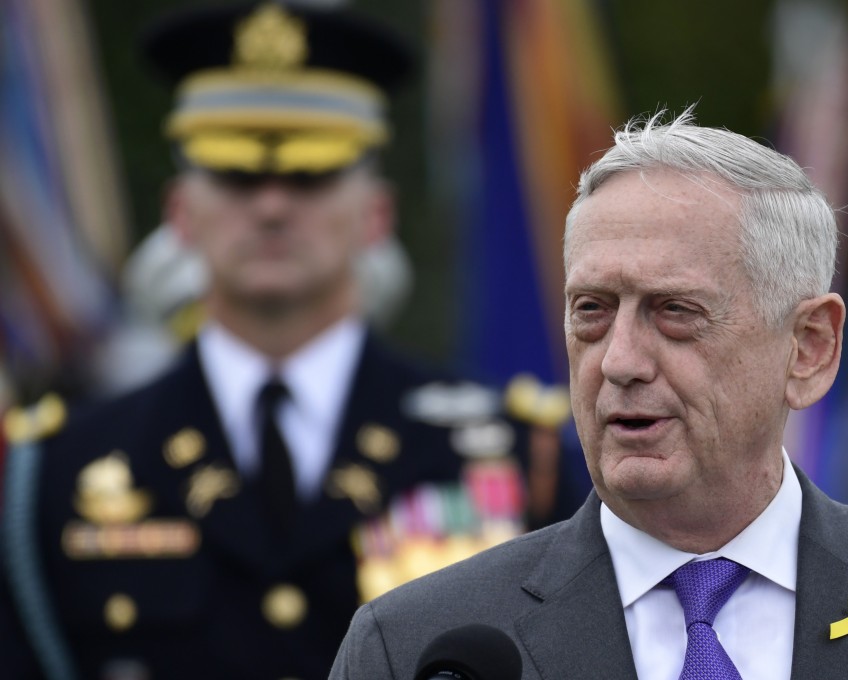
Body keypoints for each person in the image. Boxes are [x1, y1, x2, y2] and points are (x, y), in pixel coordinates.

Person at [329, 107, 848, 680]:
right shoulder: (417, 648)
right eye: (592, 311)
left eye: (675, 312)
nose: (620, 361)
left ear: (808, 348)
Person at [0, 3, 552, 679]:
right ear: (179, 212)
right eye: (235, 174)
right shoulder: (54, 475)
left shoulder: (520, 455)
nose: (270, 205)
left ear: (377, 214)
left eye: (310, 174)